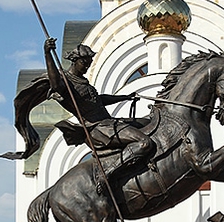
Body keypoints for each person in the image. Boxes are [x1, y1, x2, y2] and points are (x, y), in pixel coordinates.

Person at [44, 38, 155, 179]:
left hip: (108, 123)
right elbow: (54, 85)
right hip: (98, 130)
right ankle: (109, 172)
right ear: (75, 60)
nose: (86, 67)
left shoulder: (83, 82)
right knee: (144, 142)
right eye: (84, 63)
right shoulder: (65, 82)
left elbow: (100, 100)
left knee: (149, 122)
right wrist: (47, 53)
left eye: (89, 64)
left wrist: (125, 97)